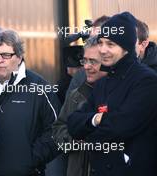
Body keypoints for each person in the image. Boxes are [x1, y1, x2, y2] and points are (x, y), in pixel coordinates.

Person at [67, 12, 157, 176]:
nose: (102, 50)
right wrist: (95, 119)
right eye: (100, 43)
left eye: (110, 44)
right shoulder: (102, 83)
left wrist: (89, 132)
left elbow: (120, 127)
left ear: (126, 47)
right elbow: (72, 123)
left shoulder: (147, 80)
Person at [0, 29, 60, 176]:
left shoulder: (39, 88)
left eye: (6, 55)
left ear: (19, 57)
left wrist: (31, 159)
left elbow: (58, 130)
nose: (0, 60)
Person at [52, 36, 107, 176]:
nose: (86, 67)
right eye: (85, 60)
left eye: (93, 61)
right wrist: (76, 140)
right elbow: (58, 129)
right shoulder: (75, 96)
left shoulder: (124, 94)